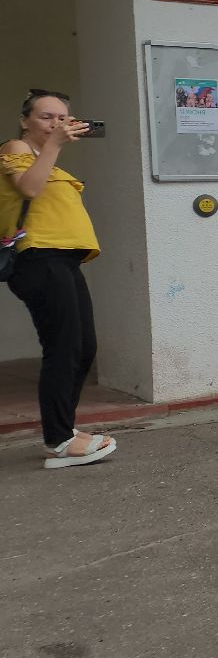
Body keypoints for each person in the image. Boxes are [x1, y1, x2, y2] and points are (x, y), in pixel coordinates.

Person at [2, 89, 113, 470]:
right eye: (47, 117)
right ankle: (58, 441)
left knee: (83, 348)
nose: (56, 124)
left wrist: (53, 149)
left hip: (64, 261)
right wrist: (53, 145)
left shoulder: (48, 161)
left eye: (63, 118)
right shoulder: (15, 147)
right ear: (25, 121)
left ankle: (63, 427)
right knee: (63, 347)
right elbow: (29, 188)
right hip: (38, 258)